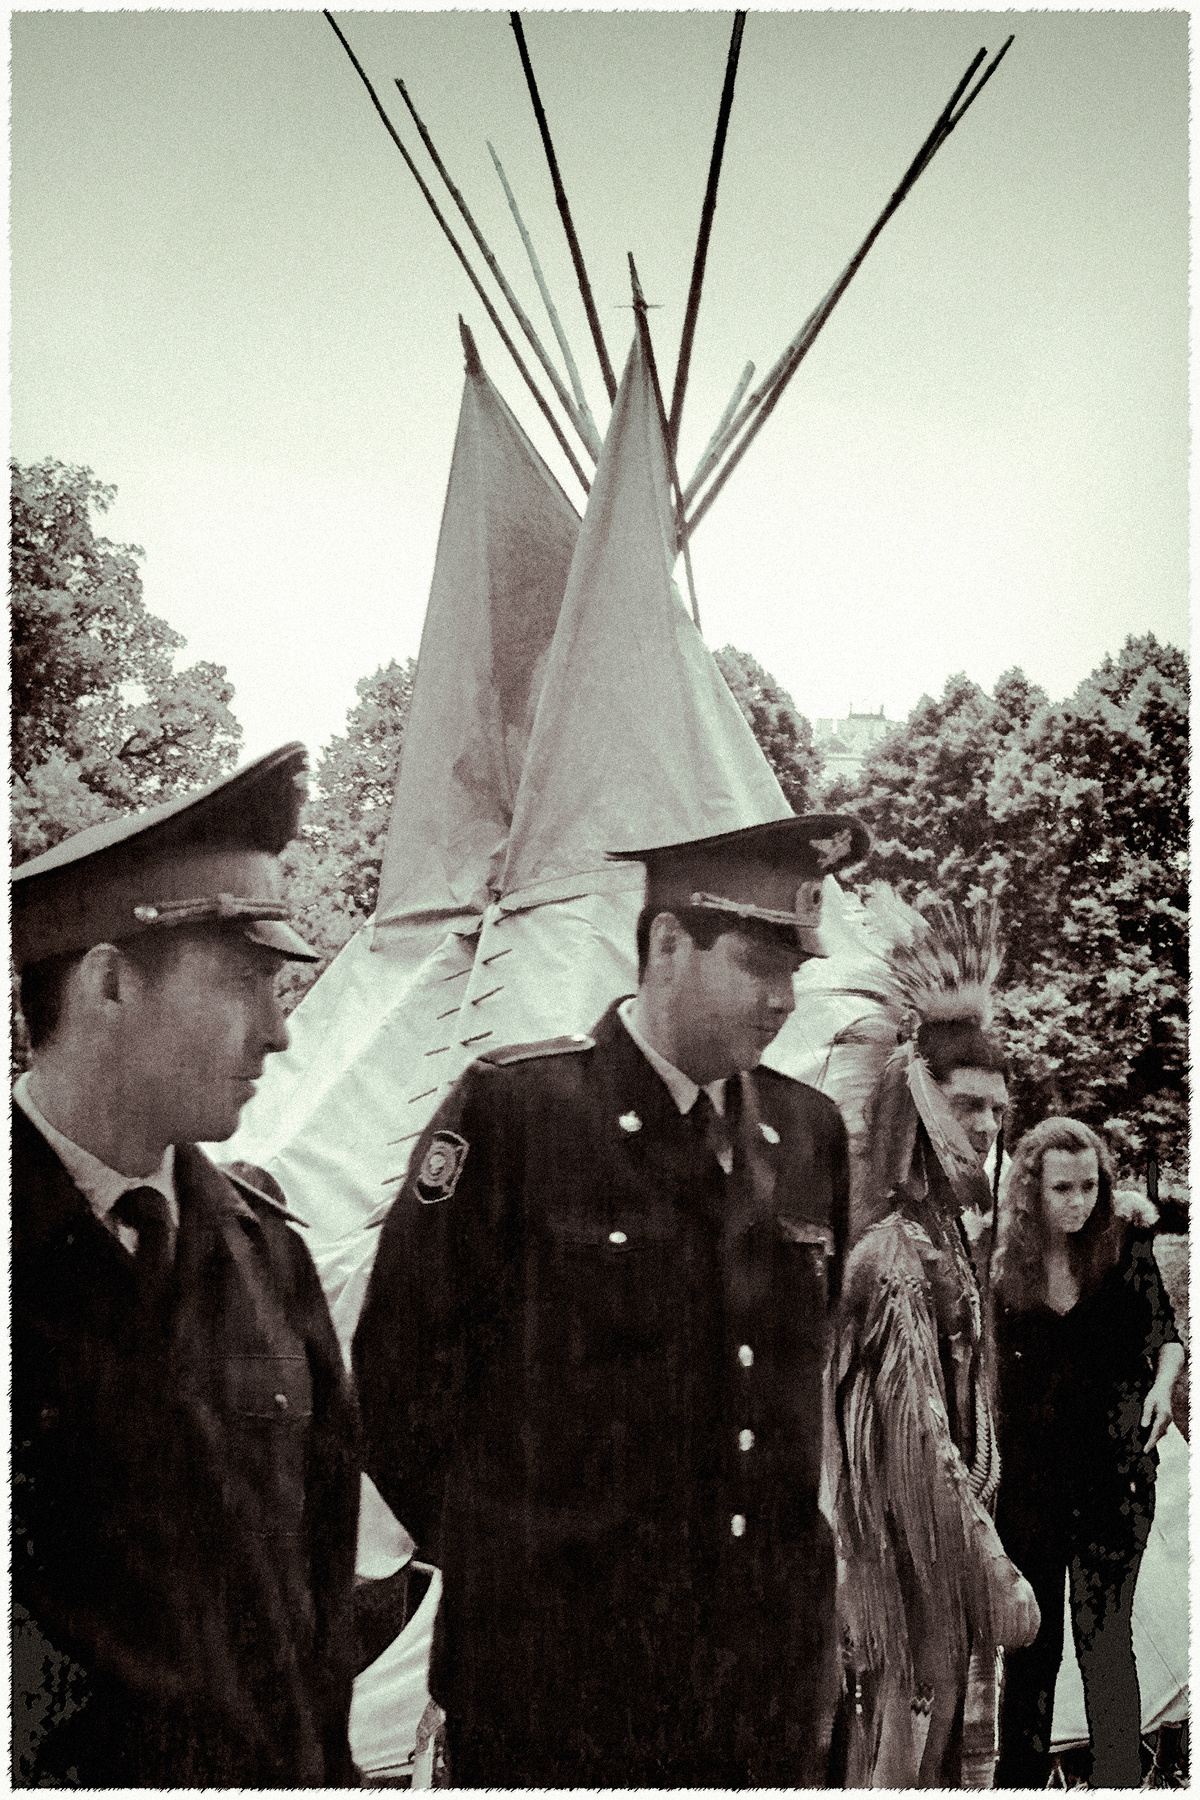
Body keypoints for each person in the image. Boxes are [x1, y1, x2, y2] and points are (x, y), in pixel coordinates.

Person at [352, 814, 868, 1785]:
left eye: (795, 970)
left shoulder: (809, 1135)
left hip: (758, 1687)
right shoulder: (517, 1113)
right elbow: (395, 1378)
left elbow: (797, 1398)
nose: (784, 999)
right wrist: (518, 1566)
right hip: (559, 1685)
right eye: (759, 965)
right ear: (668, 944)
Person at [11, 744, 362, 1787]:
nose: (280, 1034)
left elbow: (319, 1603)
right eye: (247, 983)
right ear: (110, 983)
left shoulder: (266, 1253)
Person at [825, 898, 1041, 1787]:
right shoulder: (895, 1252)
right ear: (919, 1096)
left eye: (998, 1108)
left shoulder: (949, 1234)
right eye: (968, 1104)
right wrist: (993, 1567)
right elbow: (916, 1435)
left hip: (942, 1565)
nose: (987, 1126)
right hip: (905, 1572)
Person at [992, 1117, 1185, 1788]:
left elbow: (1165, 1335)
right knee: (1031, 1652)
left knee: (1106, 1647)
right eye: (1061, 1189)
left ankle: (1118, 1785)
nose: (1078, 1202)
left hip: (1116, 1477)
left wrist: (1163, 1387)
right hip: (1031, 1486)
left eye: (1089, 1186)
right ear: (1031, 1190)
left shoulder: (1125, 1246)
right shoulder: (1002, 1262)